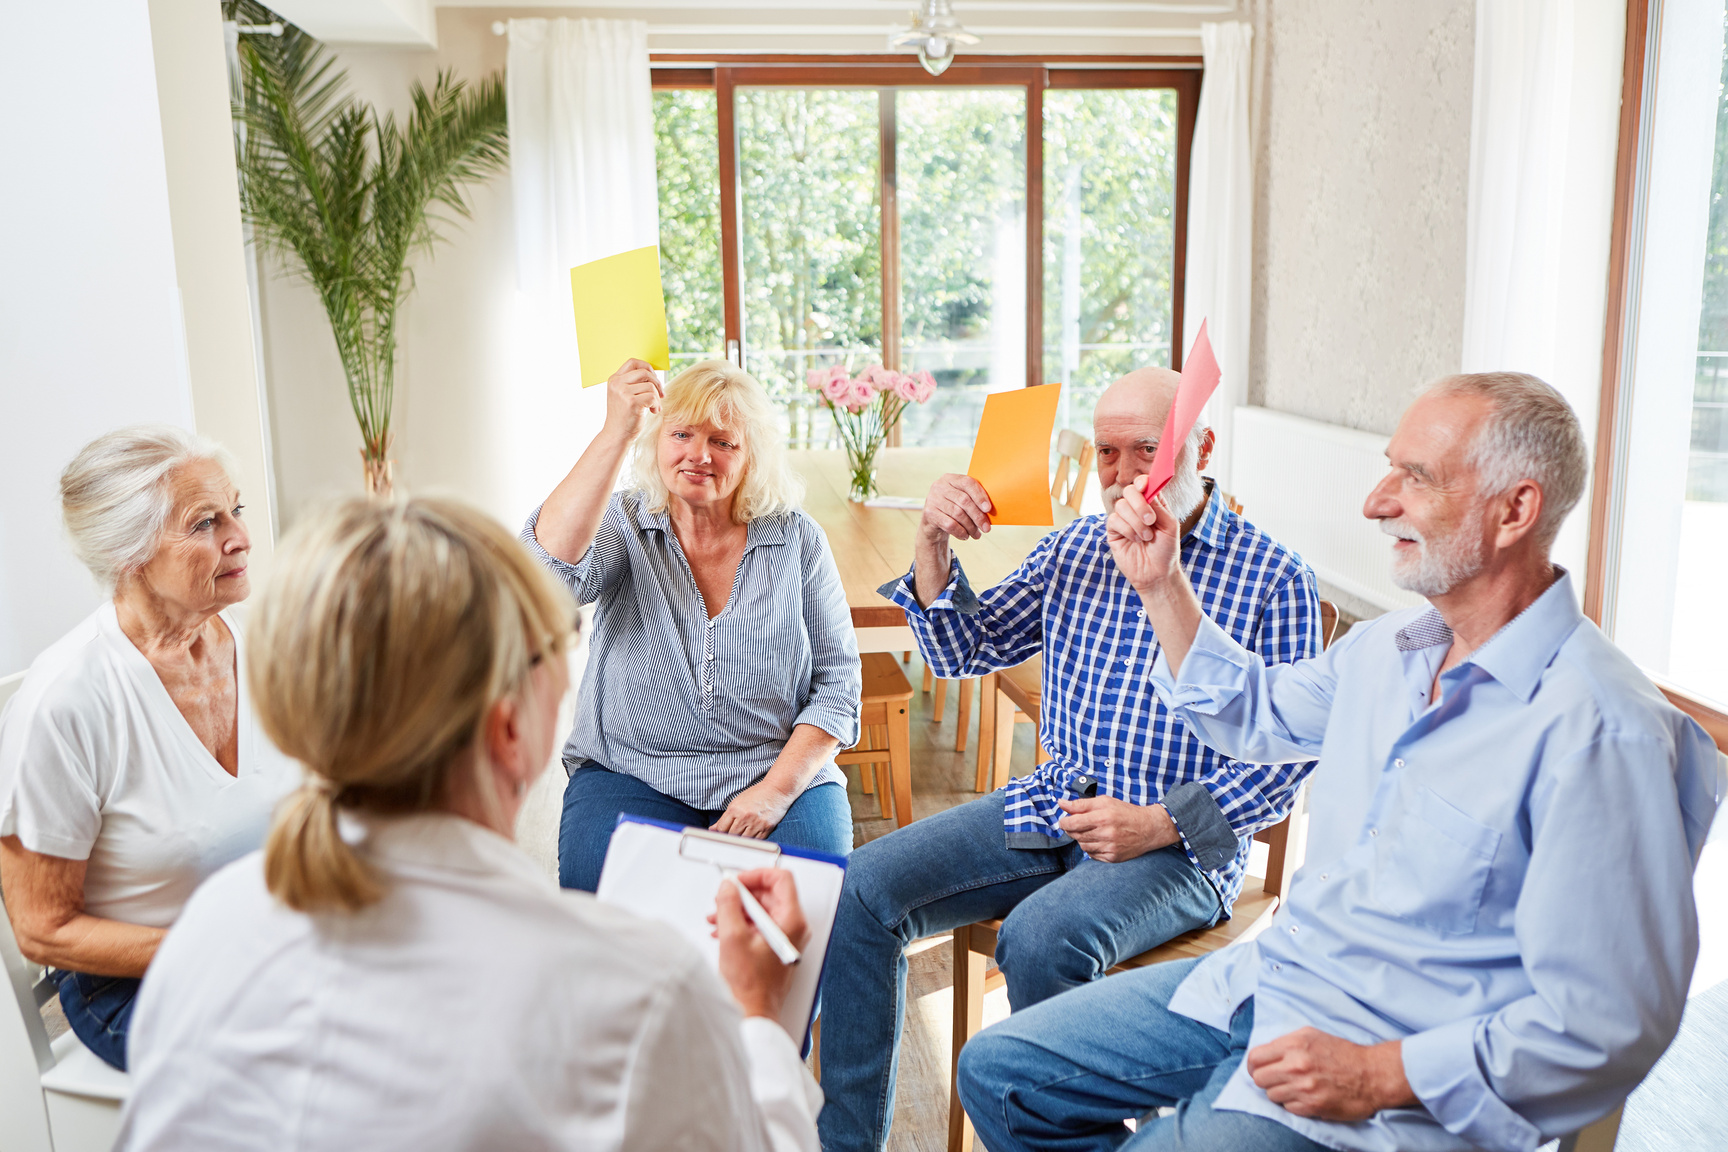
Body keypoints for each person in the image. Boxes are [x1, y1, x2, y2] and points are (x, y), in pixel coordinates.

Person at [956, 372, 1723, 1152]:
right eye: (1390, 468)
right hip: (1282, 985)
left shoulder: (1606, 732)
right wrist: (1162, 585)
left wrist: (1380, 1075)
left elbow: (1607, 1023)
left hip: (1399, 1091)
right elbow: (1249, 708)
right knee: (997, 1069)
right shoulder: (1387, 650)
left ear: (1515, 510)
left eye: (1414, 477)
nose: (1376, 501)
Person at [116, 496, 822, 1152]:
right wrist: (758, 1018)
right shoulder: (638, 991)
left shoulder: (208, 932)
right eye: (561, 643)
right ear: (510, 722)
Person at [818, 367, 1322, 1151]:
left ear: (1204, 447)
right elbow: (964, 649)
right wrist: (931, 544)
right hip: (1053, 803)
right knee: (862, 890)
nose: (1121, 477)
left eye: (1145, 451)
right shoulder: (1079, 546)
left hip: (1178, 851)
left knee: (1042, 938)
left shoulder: (1275, 576)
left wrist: (1158, 824)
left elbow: (1284, 766)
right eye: (1108, 453)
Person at [0, 426, 299, 1071]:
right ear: (129, 552)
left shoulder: (257, 643)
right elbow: (42, 928)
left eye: (236, 511)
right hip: (139, 984)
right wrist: (221, 948)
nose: (240, 537)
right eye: (205, 524)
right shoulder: (66, 703)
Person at [523, 358, 861, 892]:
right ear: (656, 441)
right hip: (632, 770)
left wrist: (774, 792)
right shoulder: (625, 522)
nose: (699, 455)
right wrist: (616, 430)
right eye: (681, 434)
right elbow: (543, 580)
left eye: (724, 442)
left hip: (774, 768)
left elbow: (839, 688)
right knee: (606, 916)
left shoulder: (797, 538)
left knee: (811, 912)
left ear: (750, 456)